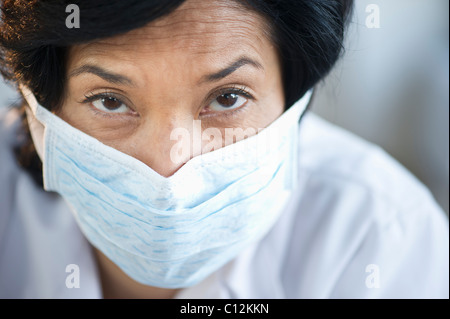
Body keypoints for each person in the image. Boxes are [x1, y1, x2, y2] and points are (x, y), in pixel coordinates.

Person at [0, 0, 448, 299]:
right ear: (40, 110)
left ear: (293, 98)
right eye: (111, 101)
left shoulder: (381, 237)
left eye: (228, 98)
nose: (169, 168)